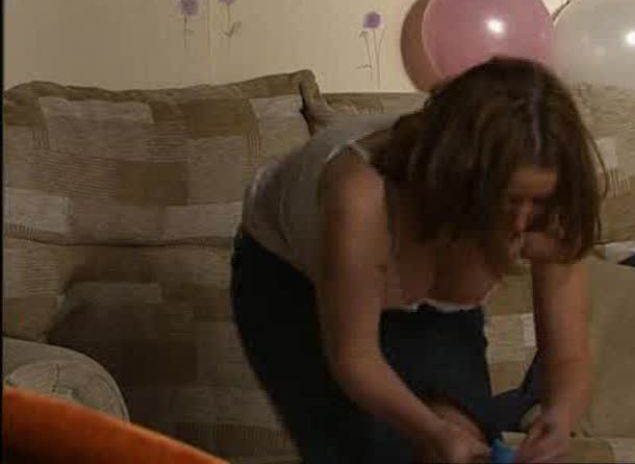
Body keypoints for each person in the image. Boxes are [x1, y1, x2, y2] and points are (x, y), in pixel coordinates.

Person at [231, 58, 603, 463]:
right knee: (373, 451)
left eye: (539, 201)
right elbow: (355, 357)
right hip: (292, 280)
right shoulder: (361, 196)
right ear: (464, 177)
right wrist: (433, 432)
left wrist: (559, 419)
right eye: (509, 199)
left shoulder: (554, 213)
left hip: (431, 304)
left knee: (466, 442)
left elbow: (568, 354)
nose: (520, 222)